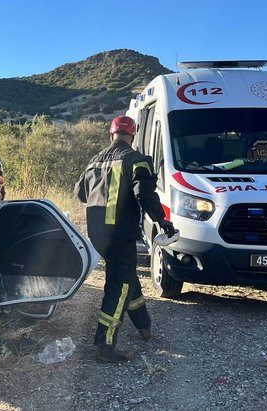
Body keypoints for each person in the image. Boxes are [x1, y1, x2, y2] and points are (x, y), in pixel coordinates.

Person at [74, 115, 175, 363]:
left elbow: (80, 194)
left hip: (98, 235)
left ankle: (144, 326)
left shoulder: (94, 161)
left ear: (112, 134)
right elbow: (145, 194)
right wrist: (162, 221)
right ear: (133, 135)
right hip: (121, 234)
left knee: (127, 277)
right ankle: (104, 346)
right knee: (119, 286)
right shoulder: (136, 160)